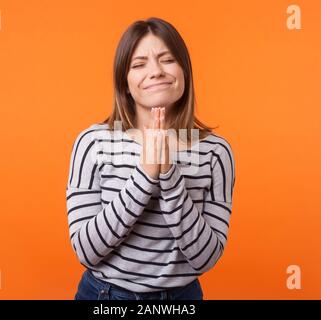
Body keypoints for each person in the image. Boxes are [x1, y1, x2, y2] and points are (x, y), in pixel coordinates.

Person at [66, 17, 235, 300]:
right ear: (125, 82)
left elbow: (205, 258)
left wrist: (168, 173)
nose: (156, 71)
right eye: (139, 64)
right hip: (104, 296)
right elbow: (86, 251)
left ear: (184, 71)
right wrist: (146, 173)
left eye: (167, 59)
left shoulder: (216, 152)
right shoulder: (93, 142)